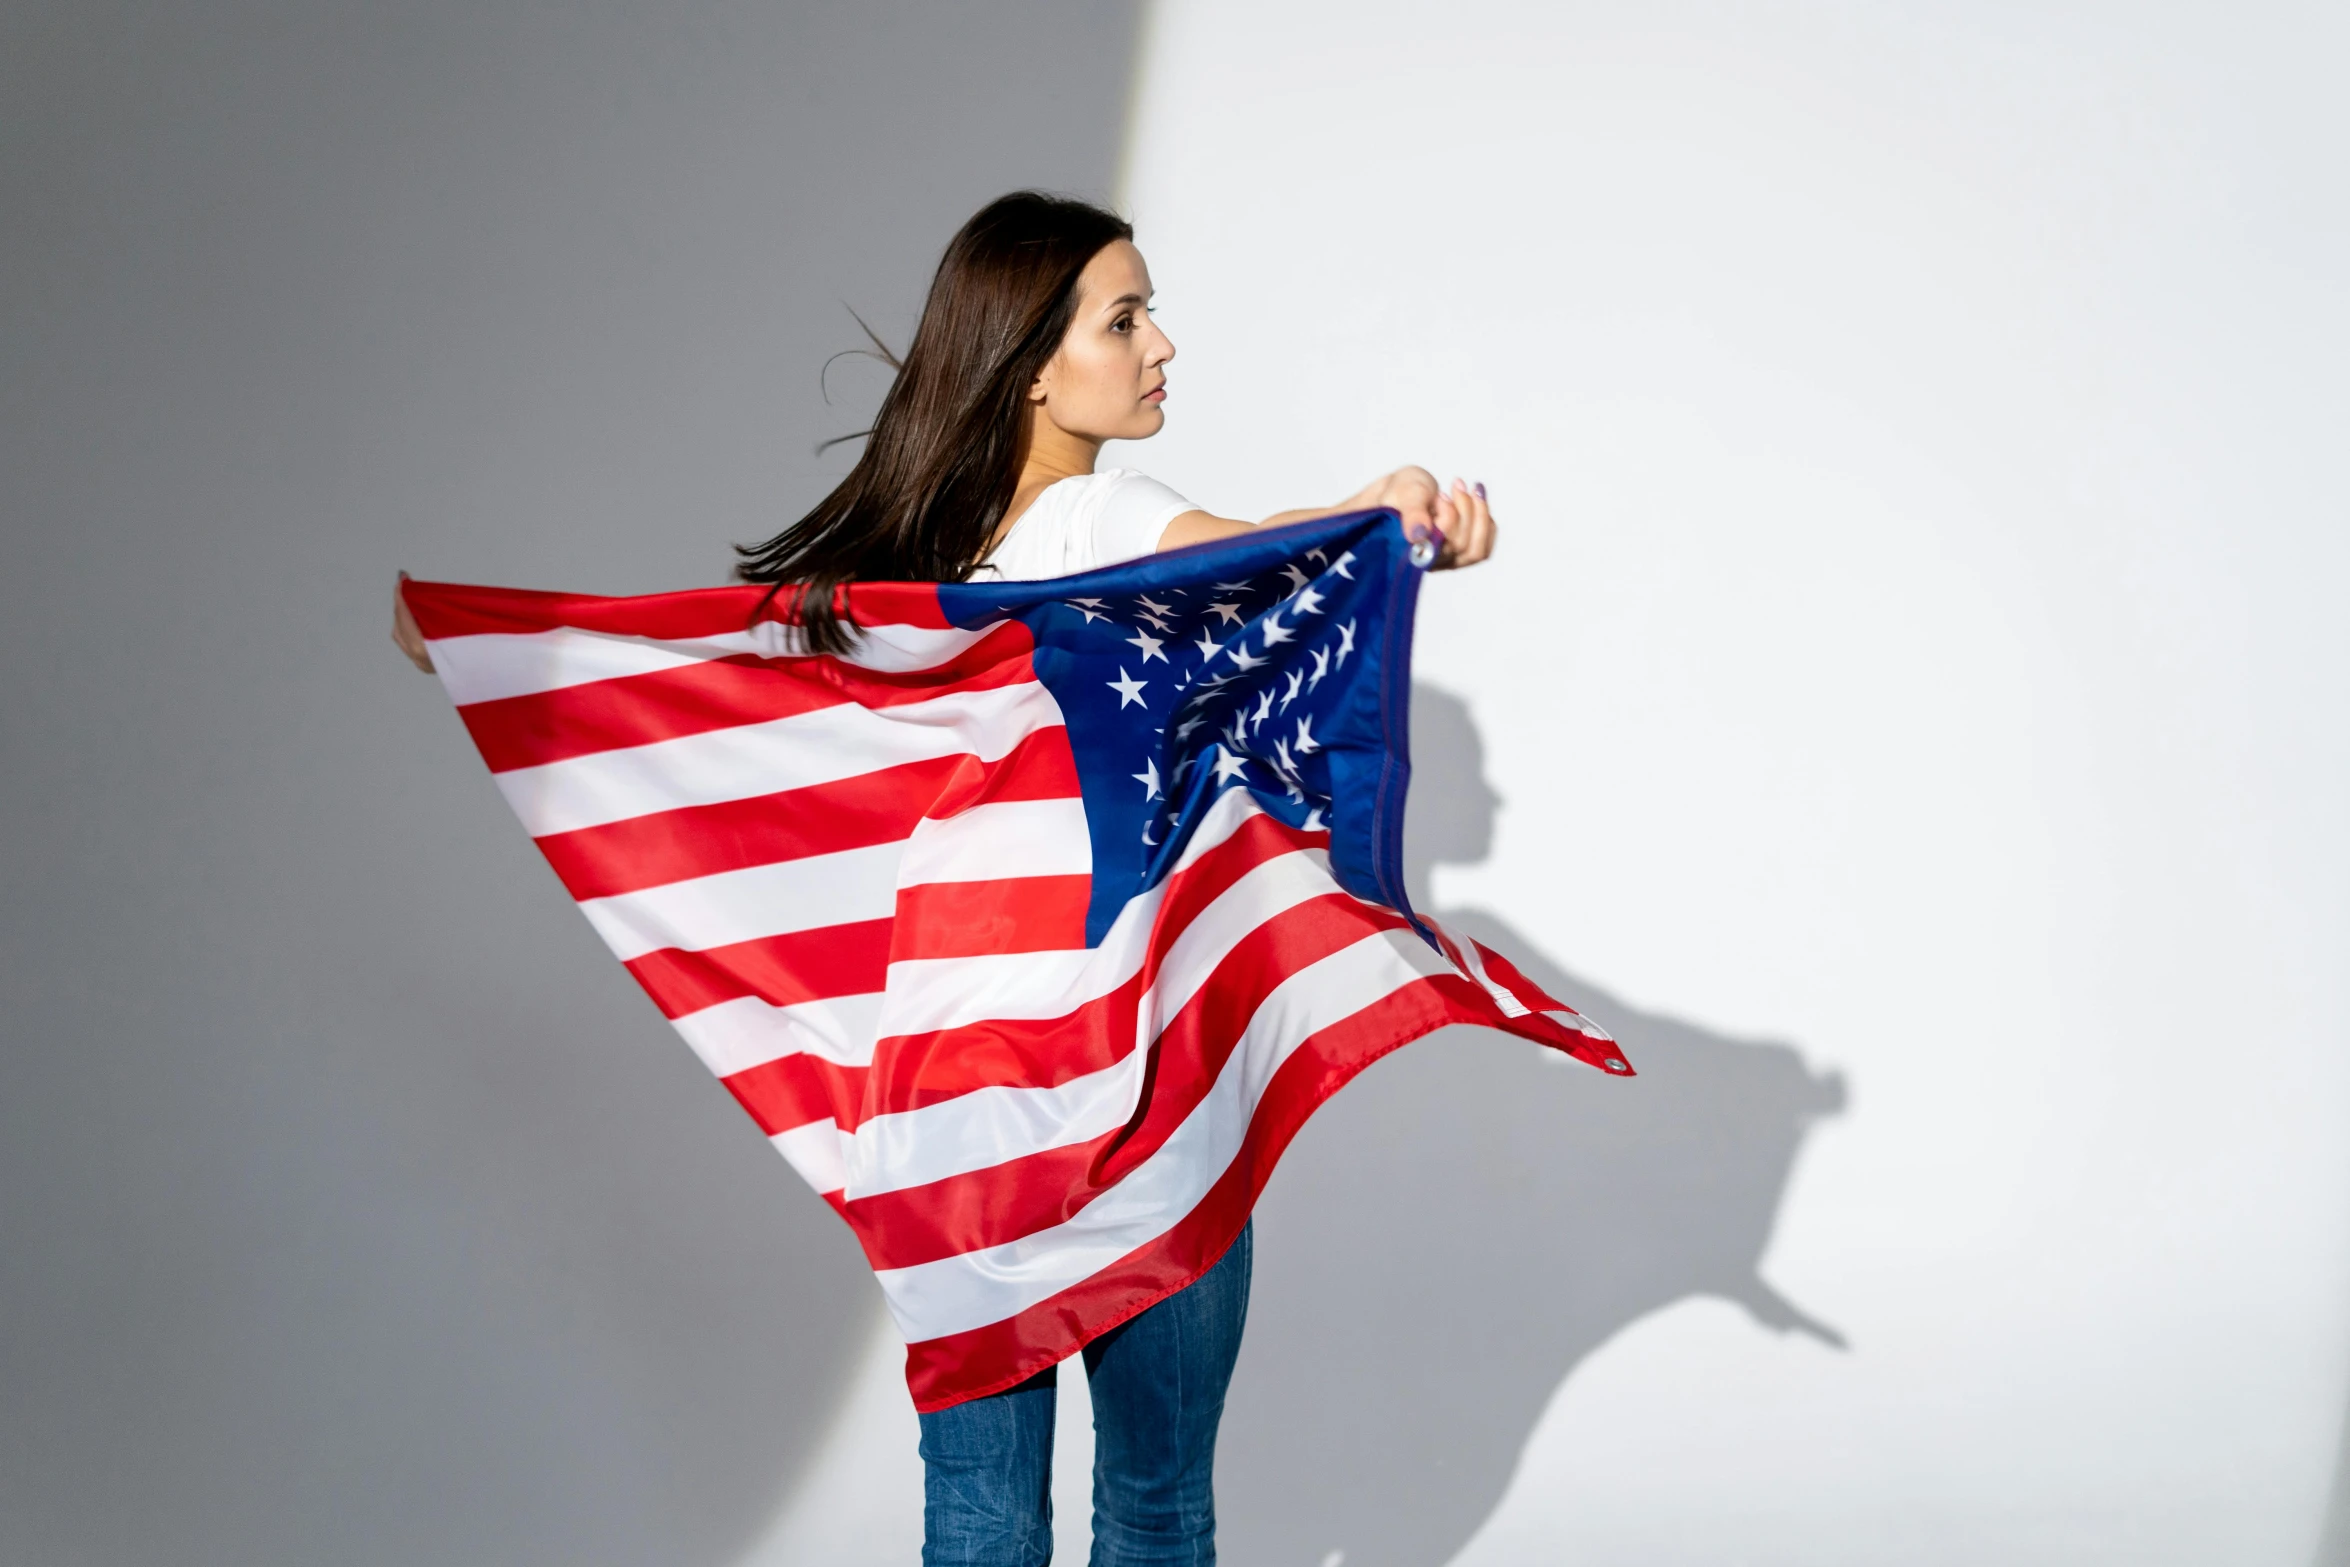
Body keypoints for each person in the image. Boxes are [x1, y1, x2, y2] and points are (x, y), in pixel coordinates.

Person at [391, 191, 1497, 1566]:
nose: (1161, 344)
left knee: (977, 1520)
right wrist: (1382, 517)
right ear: (1033, 362)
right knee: (1157, 1508)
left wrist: (489, 651)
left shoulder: (891, 587)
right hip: (1133, 1091)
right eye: (1126, 315)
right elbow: (1246, 548)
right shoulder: (1095, 520)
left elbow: (694, 691)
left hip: (949, 1113)